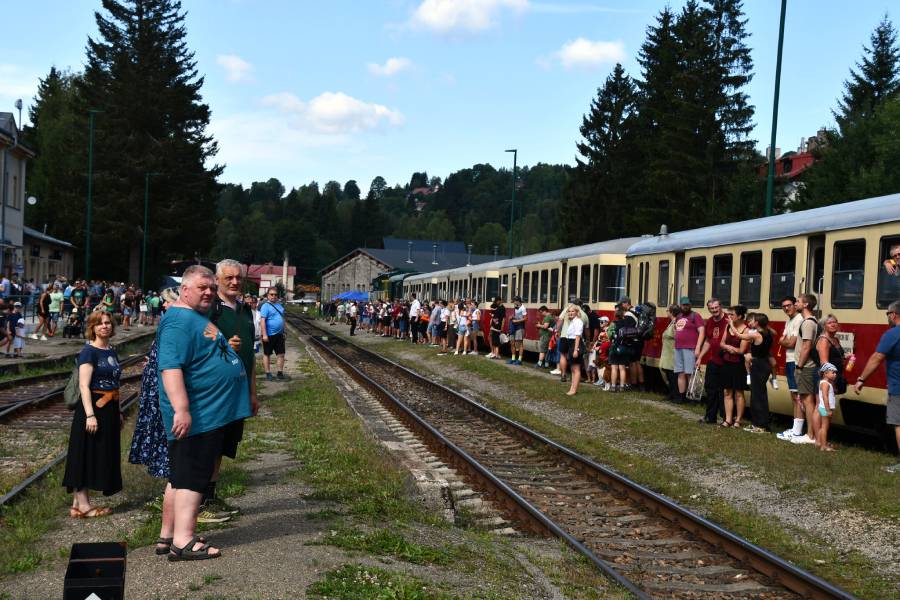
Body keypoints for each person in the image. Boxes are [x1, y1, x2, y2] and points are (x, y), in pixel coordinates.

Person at [157, 265, 251, 561]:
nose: (209, 291)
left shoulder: (193, 317)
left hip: (211, 411)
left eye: (212, 286)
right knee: (192, 477)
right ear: (184, 290)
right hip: (199, 413)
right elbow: (170, 368)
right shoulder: (178, 323)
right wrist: (182, 410)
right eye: (202, 287)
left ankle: (168, 535)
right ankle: (184, 542)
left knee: (180, 475)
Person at [207, 260, 259, 512]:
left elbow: (251, 356)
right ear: (217, 280)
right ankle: (201, 497)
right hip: (216, 390)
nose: (235, 282)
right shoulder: (209, 309)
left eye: (238, 278)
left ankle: (211, 495)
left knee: (225, 443)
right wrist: (224, 346)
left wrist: (252, 392)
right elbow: (196, 350)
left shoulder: (245, 310)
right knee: (211, 442)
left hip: (238, 389)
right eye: (229, 278)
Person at [62, 311, 123, 518]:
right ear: (93, 328)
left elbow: (116, 383)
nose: (104, 326)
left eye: (107, 323)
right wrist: (90, 415)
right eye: (100, 324)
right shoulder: (89, 352)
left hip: (110, 408)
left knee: (94, 453)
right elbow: (84, 385)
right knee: (85, 453)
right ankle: (85, 506)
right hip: (93, 408)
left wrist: (119, 411)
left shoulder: (111, 351)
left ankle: (76, 505)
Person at [854, 300, 900, 472]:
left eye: (887, 314)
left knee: (899, 424)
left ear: (893, 315)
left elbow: (877, 358)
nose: (887, 317)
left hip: (898, 386)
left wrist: (861, 379)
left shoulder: (892, 334)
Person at [732, 312, 775, 432]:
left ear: (757, 323)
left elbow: (738, 335)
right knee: (760, 394)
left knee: (757, 396)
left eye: (754, 320)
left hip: (758, 365)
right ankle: (760, 423)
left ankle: (760, 425)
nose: (751, 322)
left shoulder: (756, 335)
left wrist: (731, 323)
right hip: (765, 364)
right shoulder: (769, 333)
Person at [791, 294, 820, 445]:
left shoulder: (808, 323)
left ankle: (810, 435)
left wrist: (799, 366)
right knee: (806, 399)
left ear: (806, 304)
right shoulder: (808, 321)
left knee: (808, 400)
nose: (795, 303)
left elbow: (807, 346)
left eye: (798, 301)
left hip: (806, 367)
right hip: (807, 367)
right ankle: (811, 433)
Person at [777, 296, 806, 441]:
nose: (786, 308)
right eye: (784, 306)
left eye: (788, 305)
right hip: (789, 360)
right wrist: (784, 341)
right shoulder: (789, 320)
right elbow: (782, 340)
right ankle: (795, 429)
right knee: (794, 396)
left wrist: (784, 341)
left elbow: (790, 343)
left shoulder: (799, 320)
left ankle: (797, 431)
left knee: (798, 397)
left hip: (795, 360)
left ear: (795, 305)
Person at [719, 305, 749, 428]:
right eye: (729, 314)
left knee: (738, 393)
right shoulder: (727, 327)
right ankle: (728, 419)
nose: (729, 317)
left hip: (739, 364)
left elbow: (742, 350)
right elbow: (722, 343)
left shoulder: (746, 330)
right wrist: (728, 348)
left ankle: (738, 420)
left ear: (740, 316)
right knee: (727, 392)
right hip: (727, 362)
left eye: (732, 315)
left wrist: (733, 349)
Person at [673, 296, 705, 402]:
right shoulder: (679, 316)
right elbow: (676, 329)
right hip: (678, 348)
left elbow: (702, 332)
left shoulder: (695, 316)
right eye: (683, 305)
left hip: (690, 348)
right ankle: (681, 396)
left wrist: (698, 347)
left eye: (687, 305)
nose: (685, 306)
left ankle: (692, 396)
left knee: (690, 373)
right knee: (680, 373)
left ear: (690, 305)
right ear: (680, 305)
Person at [260, 288, 288, 381]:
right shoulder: (265, 306)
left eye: (275, 294)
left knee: (281, 354)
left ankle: (280, 372)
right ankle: (268, 373)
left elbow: (283, 319)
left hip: (279, 334)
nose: (273, 296)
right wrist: (264, 335)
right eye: (271, 294)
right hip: (269, 334)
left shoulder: (280, 306)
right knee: (267, 354)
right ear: (268, 295)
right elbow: (262, 321)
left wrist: (284, 331)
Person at [659, 304, 680, 402]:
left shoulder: (676, 323)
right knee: (668, 374)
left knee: (673, 376)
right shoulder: (671, 322)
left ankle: (675, 395)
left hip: (672, 353)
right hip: (668, 353)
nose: (666, 312)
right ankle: (671, 394)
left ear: (671, 312)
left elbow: (678, 337)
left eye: (667, 310)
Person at [816, 363, 838, 451]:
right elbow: (825, 397)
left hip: (824, 408)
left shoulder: (825, 383)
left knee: (824, 427)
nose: (835, 374)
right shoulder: (825, 384)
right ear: (825, 373)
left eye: (835, 373)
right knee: (825, 427)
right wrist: (828, 409)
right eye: (833, 372)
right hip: (825, 409)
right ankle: (823, 446)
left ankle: (820, 442)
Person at [564, 304, 584, 396]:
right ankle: (572, 387)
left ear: (577, 312)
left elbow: (577, 336)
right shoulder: (572, 321)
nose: (571, 313)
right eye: (569, 311)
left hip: (575, 344)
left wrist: (576, 350)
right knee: (572, 368)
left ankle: (574, 389)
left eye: (573, 311)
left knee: (576, 368)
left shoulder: (578, 322)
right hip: (571, 344)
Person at [507, 297, 526, 365]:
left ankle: (519, 359)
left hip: (520, 327)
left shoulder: (523, 308)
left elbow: (525, 318)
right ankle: (513, 358)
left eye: (514, 301)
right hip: (513, 326)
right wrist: (512, 317)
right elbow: (517, 316)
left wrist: (516, 320)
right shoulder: (516, 307)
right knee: (512, 343)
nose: (513, 303)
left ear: (517, 301)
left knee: (520, 344)